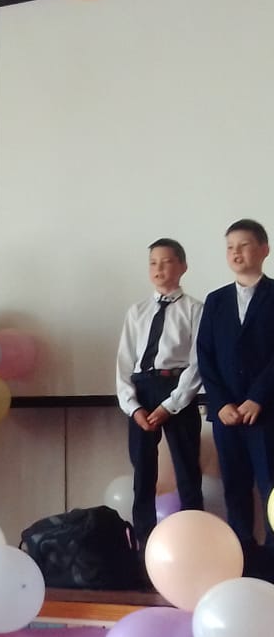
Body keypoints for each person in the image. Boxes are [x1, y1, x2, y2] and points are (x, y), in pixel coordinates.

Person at [115, 238, 204, 547]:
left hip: (177, 390)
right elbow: (124, 362)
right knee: (143, 474)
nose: (159, 269)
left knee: (187, 470)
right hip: (142, 390)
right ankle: (145, 543)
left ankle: (194, 540)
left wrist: (172, 404)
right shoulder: (137, 311)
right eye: (153, 263)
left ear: (183, 266)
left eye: (166, 262)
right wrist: (133, 406)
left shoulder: (195, 309)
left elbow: (198, 362)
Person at [197, 219, 274, 547]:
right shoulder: (216, 300)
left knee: (271, 488)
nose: (236, 253)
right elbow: (205, 355)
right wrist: (221, 402)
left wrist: (258, 397)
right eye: (230, 247)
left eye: (244, 245)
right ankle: (243, 556)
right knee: (235, 487)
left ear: (264, 250)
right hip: (226, 414)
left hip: (266, 412)